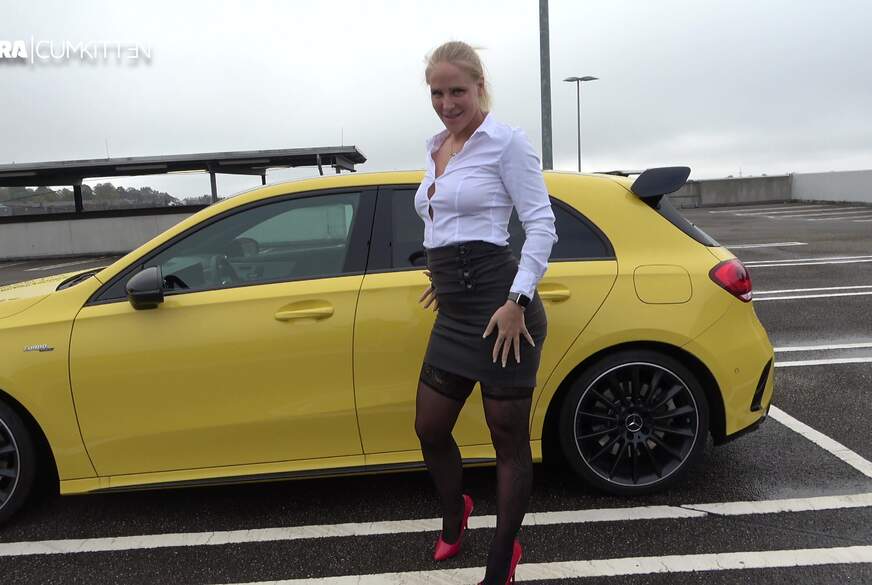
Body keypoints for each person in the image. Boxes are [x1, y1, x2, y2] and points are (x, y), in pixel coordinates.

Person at [413, 40, 558, 585]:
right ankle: (457, 512)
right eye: (437, 92)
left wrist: (517, 301)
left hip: (504, 316)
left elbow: (541, 226)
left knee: (507, 441)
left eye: (457, 91)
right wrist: (443, 278)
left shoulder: (506, 143)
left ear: (479, 87)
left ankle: (502, 559)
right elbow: (443, 223)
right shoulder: (436, 146)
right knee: (430, 427)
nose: (447, 103)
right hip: (456, 312)